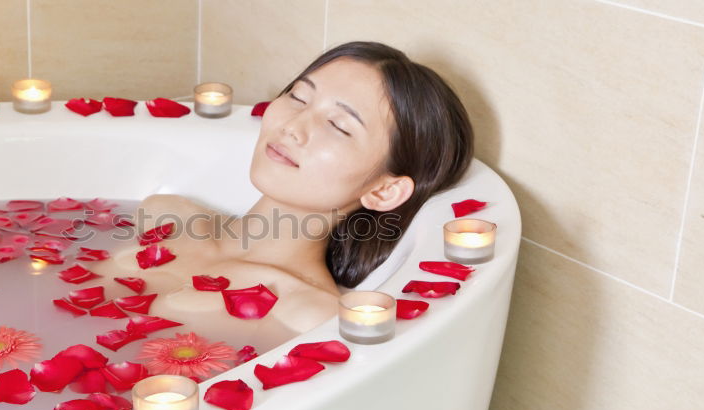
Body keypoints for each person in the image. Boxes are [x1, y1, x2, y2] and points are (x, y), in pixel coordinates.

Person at [105, 41, 474, 352]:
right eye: (298, 97)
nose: (291, 127)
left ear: (383, 190)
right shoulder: (166, 213)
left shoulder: (308, 313)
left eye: (337, 125)